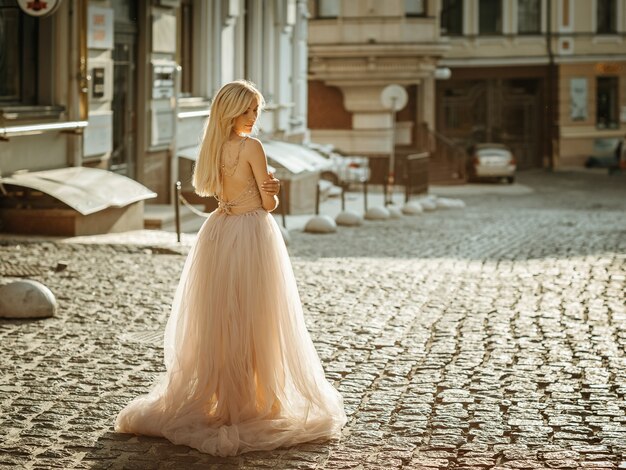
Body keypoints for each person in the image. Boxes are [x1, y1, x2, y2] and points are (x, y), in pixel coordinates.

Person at [114, 80, 347, 456]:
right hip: (252, 232)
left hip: (218, 233)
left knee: (220, 319)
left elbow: (216, 192)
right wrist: (273, 190)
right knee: (258, 316)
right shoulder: (251, 147)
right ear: (234, 111)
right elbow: (267, 205)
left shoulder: (211, 148)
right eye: (249, 110)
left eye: (256, 111)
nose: (254, 118)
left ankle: (223, 398)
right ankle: (255, 401)